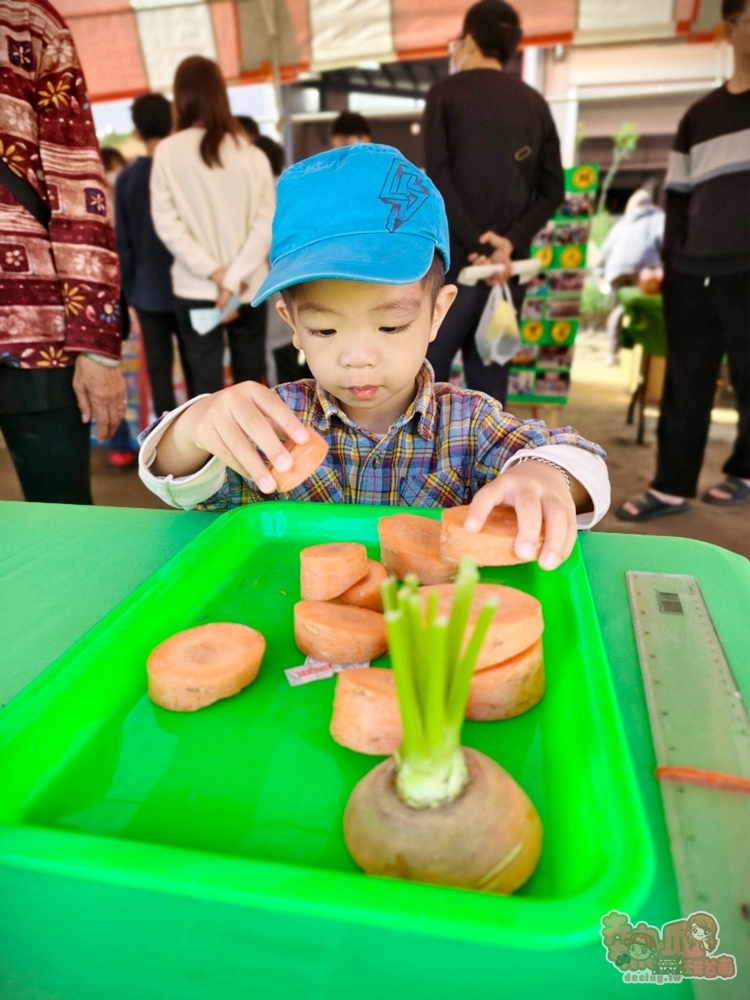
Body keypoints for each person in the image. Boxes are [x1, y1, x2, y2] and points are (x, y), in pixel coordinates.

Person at [138, 144, 610, 572]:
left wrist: (545, 475)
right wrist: (197, 424)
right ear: (292, 325)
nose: (358, 358)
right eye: (324, 329)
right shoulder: (275, 424)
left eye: (391, 326)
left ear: (437, 313)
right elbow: (176, 481)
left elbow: (580, 458)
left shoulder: (469, 426)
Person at [616, 0, 750, 520]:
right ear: (730, 29)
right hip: (694, 271)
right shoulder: (699, 116)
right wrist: (672, 270)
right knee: (685, 381)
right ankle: (671, 487)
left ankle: (743, 470)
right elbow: (677, 199)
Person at [0, 0, 125, 504]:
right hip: (35, 323)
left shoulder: (31, 23)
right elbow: (78, 189)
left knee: (64, 522)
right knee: (63, 524)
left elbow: (77, 188)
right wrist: (96, 345)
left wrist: (96, 344)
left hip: (34, 328)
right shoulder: (30, 22)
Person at [423, 0, 564, 403]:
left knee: (426, 375)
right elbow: (553, 190)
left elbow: (438, 181)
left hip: (452, 269)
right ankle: (494, 466)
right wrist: (508, 243)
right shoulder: (534, 103)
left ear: (467, 40)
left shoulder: (445, 94)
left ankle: (424, 464)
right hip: (507, 270)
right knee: (491, 380)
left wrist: (478, 245)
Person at [150, 56, 275, 396]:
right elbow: (265, 225)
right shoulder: (252, 155)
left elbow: (167, 224)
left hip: (196, 289)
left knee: (204, 387)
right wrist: (233, 280)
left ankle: (208, 450)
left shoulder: (167, 153)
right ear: (221, 95)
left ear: (180, 97)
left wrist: (215, 274)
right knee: (251, 381)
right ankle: (257, 449)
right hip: (249, 289)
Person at [115, 93, 188, 423]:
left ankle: (165, 436)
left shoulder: (127, 178)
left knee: (158, 368)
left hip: (146, 292)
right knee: (196, 364)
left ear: (137, 130)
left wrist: (129, 292)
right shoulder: (183, 172)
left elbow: (123, 243)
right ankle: (203, 445)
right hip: (190, 285)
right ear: (173, 122)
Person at [599, 189, 664, 364]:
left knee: (617, 309)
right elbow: (664, 240)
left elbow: (605, 250)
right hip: (645, 270)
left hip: (616, 270)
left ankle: (612, 353)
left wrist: (600, 273)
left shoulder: (623, 222)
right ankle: (642, 355)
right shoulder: (659, 218)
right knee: (644, 309)